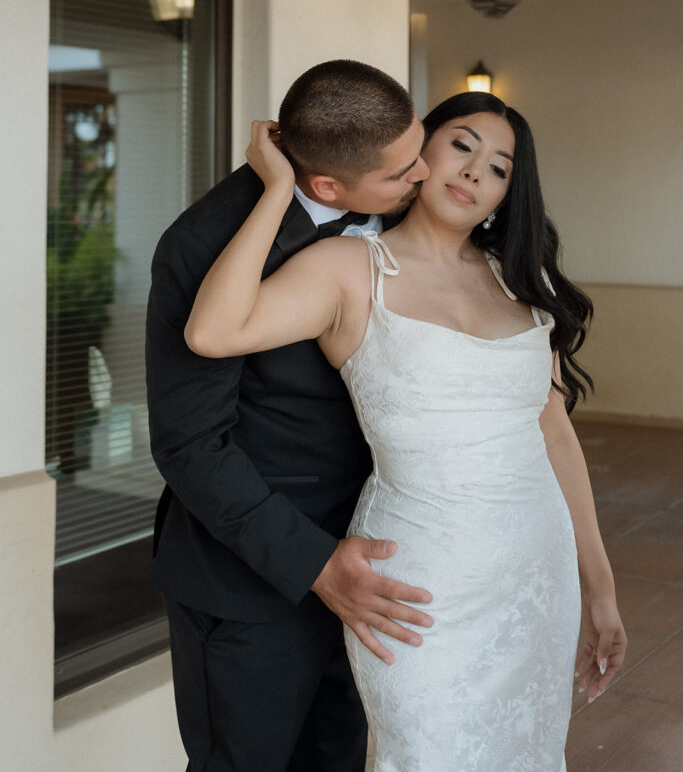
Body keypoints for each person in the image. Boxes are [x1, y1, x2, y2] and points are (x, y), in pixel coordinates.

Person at [185, 90, 628, 772]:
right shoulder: (349, 268)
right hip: (421, 586)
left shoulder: (522, 280)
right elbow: (212, 332)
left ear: (507, 195)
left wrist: (598, 590)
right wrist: (276, 187)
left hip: (535, 576)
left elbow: (554, 438)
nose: (476, 171)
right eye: (461, 144)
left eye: (501, 167)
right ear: (417, 150)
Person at [146, 59, 435, 772]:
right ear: (326, 186)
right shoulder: (199, 245)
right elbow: (190, 445)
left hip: (367, 559)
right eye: (402, 172)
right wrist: (316, 566)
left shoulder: (396, 217)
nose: (422, 176)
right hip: (249, 581)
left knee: (335, 758)